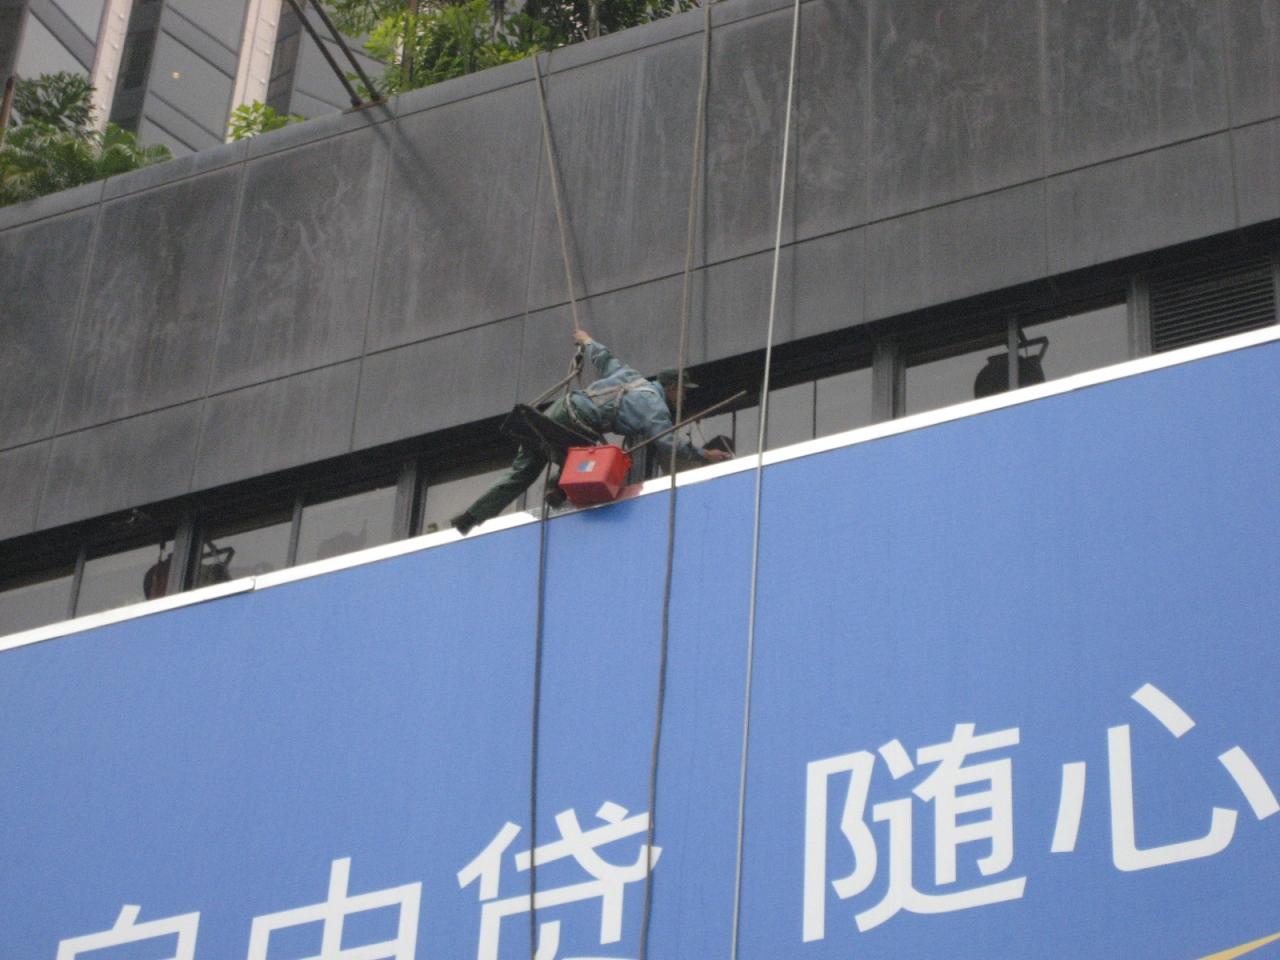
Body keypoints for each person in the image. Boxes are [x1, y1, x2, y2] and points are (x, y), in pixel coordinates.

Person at [451, 330, 732, 535]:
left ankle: (470, 518)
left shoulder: (629, 375)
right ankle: (556, 490)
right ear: (672, 388)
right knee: (591, 460)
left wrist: (586, 341)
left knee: (521, 473)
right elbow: (669, 443)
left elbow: (603, 358)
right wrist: (704, 454)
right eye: (683, 391)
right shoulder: (654, 406)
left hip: (558, 411)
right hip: (578, 424)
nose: (684, 396)